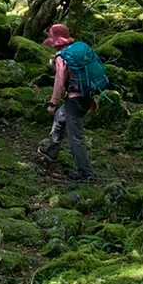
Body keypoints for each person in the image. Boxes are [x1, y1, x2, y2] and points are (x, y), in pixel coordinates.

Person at [36, 23, 95, 181]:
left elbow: (59, 82)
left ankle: (86, 173)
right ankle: (51, 153)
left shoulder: (62, 57)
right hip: (85, 97)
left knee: (75, 137)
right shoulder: (77, 52)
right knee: (60, 118)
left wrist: (53, 103)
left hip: (75, 99)